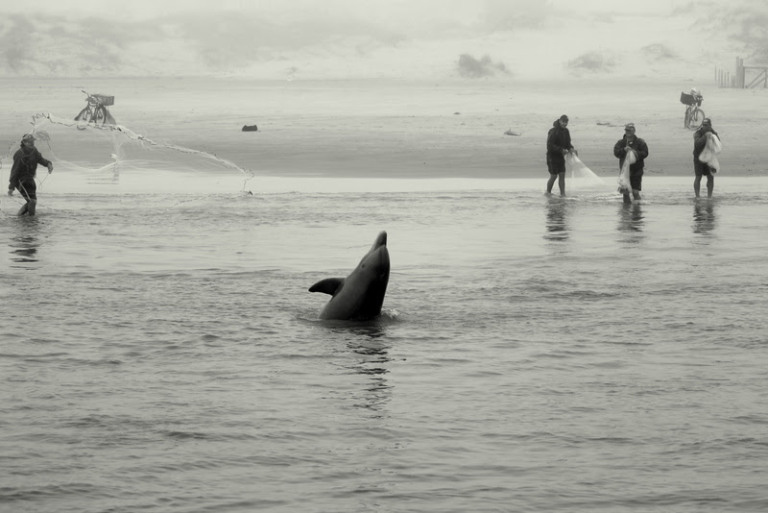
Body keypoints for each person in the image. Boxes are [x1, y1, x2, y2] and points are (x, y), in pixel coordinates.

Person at [7, 133, 53, 216]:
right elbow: (15, 171)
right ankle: (31, 219)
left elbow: (41, 159)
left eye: (32, 141)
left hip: (30, 180)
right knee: (32, 201)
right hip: (20, 181)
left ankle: (21, 217)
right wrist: (11, 187)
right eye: (28, 142)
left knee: (31, 201)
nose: (31, 143)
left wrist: (48, 164)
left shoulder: (34, 150)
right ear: (24, 142)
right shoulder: (19, 154)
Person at [613, 123, 649, 203]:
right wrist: (624, 150)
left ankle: (637, 211)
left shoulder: (640, 142)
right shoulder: (621, 142)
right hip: (624, 171)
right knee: (625, 193)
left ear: (634, 131)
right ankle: (626, 210)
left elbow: (645, 153)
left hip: (637, 170)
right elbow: (616, 152)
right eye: (626, 130)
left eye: (629, 130)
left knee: (635, 192)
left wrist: (635, 153)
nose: (628, 132)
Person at [546, 114, 576, 196]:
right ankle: (548, 192)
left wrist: (571, 148)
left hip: (560, 157)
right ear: (559, 121)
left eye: (566, 122)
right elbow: (549, 146)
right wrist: (561, 150)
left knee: (562, 174)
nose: (564, 124)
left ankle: (563, 194)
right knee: (554, 176)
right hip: (552, 157)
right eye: (563, 122)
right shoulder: (553, 131)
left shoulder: (566, 131)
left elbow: (567, 144)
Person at [693, 118, 719, 198]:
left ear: (710, 126)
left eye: (706, 125)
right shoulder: (697, 133)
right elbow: (697, 144)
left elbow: (718, 144)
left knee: (710, 177)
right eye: (703, 125)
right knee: (698, 177)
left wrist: (712, 135)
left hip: (710, 158)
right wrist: (705, 136)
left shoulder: (714, 133)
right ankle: (697, 197)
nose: (705, 127)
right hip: (698, 158)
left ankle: (709, 197)